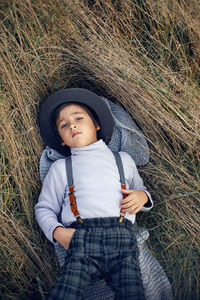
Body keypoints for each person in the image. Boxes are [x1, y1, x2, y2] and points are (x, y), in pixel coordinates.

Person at [35, 88, 153, 300]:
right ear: (62, 139)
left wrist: (142, 197)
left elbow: (141, 188)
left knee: (133, 294)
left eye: (78, 118)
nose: (72, 124)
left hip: (122, 242)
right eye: (63, 125)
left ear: (96, 125)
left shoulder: (123, 160)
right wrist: (58, 233)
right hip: (81, 240)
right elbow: (44, 208)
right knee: (65, 293)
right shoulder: (61, 168)